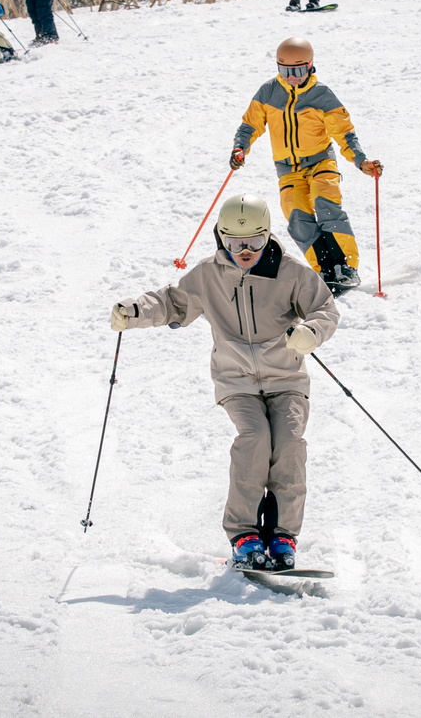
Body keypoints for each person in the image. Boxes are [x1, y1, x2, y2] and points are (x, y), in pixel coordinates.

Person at [109, 194, 340, 571]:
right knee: (254, 440)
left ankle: (282, 535)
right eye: (234, 242)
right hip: (236, 381)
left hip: (287, 378)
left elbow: (324, 308)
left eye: (253, 242)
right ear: (220, 237)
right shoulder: (208, 274)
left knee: (289, 445)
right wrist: (134, 312)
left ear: (267, 237)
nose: (244, 251)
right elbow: (173, 303)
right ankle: (244, 534)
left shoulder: (291, 272)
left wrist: (311, 332)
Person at [229, 37, 383, 295]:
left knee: (326, 205)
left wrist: (361, 161)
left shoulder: (321, 95)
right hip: (288, 169)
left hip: (321, 161)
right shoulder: (268, 92)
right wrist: (240, 147)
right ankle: (324, 269)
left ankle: (345, 267)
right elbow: (250, 125)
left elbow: (344, 133)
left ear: (310, 66)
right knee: (296, 218)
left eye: (298, 71)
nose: (291, 77)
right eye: (284, 71)